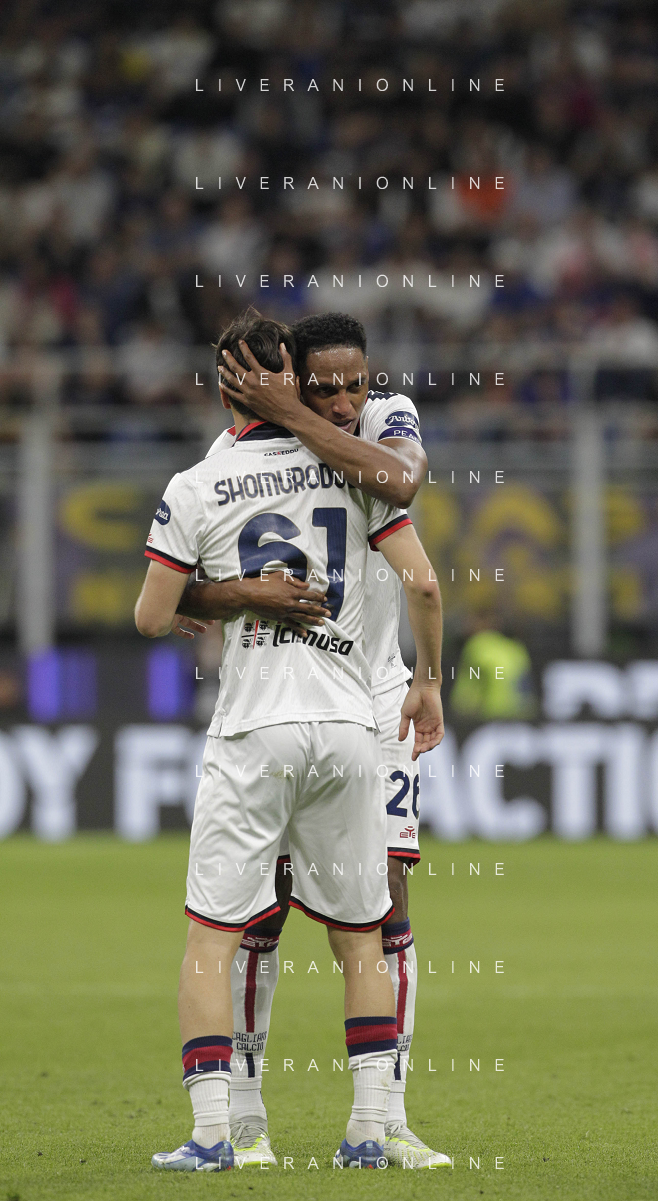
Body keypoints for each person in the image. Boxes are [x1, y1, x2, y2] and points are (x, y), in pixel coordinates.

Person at [135, 315, 444, 1171]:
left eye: (355, 384)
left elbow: (403, 480)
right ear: (291, 377)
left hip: (346, 703)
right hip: (339, 712)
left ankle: (373, 1119)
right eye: (323, 387)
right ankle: (268, 1122)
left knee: (369, 903)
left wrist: (289, 415)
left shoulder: (379, 424)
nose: (344, 401)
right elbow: (420, 575)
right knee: (296, 918)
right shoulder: (255, 461)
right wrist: (245, 592)